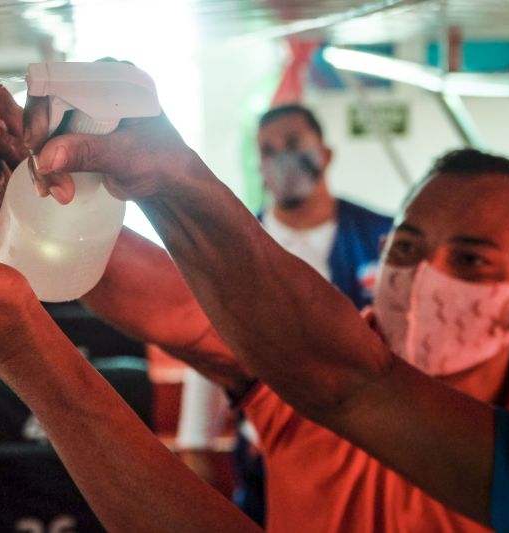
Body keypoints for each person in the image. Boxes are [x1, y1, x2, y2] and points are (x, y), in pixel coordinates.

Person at [0, 91, 509, 531]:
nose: (424, 275)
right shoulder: (343, 363)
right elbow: (202, 314)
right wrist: (22, 210)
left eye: (472, 260)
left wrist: (23, 342)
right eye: (407, 246)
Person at [175, 104, 391, 524]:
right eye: (268, 150)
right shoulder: (235, 248)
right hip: (270, 449)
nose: (281, 159)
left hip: (374, 448)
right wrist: (195, 442)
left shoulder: (385, 237)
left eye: (293, 144)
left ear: (325, 154)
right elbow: (209, 340)